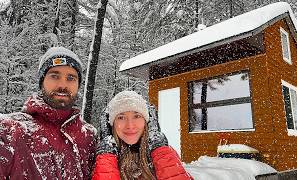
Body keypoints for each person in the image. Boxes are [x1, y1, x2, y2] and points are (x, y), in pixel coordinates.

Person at [0, 46, 97, 179]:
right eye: (54, 76)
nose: (63, 85)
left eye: (71, 78)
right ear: (42, 81)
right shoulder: (10, 130)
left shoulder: (88, 136)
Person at [92, 90, 193, 180]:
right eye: (121, 117)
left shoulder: (164, 153)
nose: (130, 125)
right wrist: (106, 157)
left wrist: (160, 151)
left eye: (137, 116)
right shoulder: (98, 158)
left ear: (146, 122)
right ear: (112, 124)